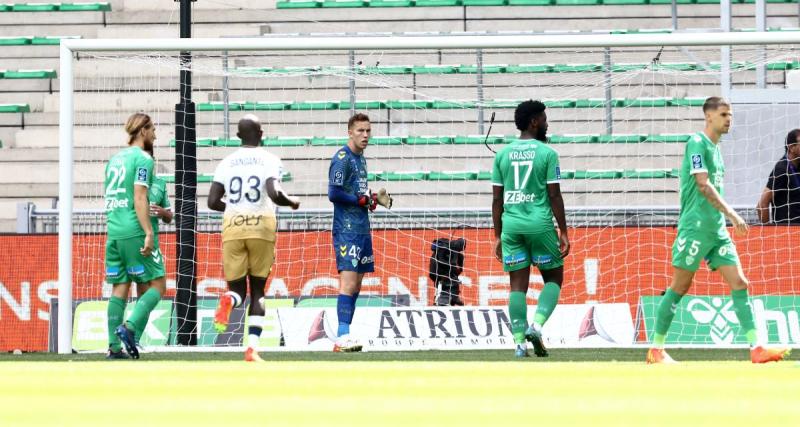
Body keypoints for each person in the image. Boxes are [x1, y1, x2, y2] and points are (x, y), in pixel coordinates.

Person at [647, 97, 791, 364]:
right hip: (695, 228)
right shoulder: (697, 143)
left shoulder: (717, 150)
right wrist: (734, 215)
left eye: (730, 115)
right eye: (724, 114)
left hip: (716, 231)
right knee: (679, 287)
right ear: (709, 116)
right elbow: (703, 185)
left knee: (739, 283)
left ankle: (756, 348)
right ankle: (656, 349)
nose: (729, 119)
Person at [209, 114, 300, 362]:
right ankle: (251, 349)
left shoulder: (226, 163)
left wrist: (235, 207)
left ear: (238, 136)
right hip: (261, 227)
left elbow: (212, 201)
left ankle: (229, 299)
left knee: (237, 289)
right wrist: (291, 201)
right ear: (261, 133)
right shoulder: (269, 159)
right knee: (258, 290)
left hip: (233, 227)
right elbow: (273, 192)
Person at [491, 100, 569, 358]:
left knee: (517, 287)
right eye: (544, 119)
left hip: (511, 226)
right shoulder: (548, 154)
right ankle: (536, 326)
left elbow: (496, 200)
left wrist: (497, 236)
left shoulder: (502, 155)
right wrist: (564, 232)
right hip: (539, 224)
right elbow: (554, 195)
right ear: (534, 122)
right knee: (554, 278)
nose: (547, 124)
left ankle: (519, 344)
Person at [104, 112, 168, 360]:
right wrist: (148, 231)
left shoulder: (113, 160)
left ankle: (113, 347)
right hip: (133, 229)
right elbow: (140, 196)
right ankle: (129, 328)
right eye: (152, 129)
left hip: (114, 229)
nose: (155, 134)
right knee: (157, 285)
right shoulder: (143, 159)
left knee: (120, 286)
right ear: (143, 131)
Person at [327, 113, 392, 353]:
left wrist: (372, 200)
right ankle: (342, 336)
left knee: (356, 287)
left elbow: (357, 195)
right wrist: (360, 199)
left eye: (368, 131)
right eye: (360, 131)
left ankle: (346, 334)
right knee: (348, 283)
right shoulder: (342, 158)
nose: (365, 135)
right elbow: (334, 194)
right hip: (347, 230)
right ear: (350, 132)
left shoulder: (361, 159)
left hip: (362, 229)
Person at [756, 129, 800, 224]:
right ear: (792, 147)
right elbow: (761, 205)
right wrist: (767, 233)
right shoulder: (782, 169)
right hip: (787, 232)